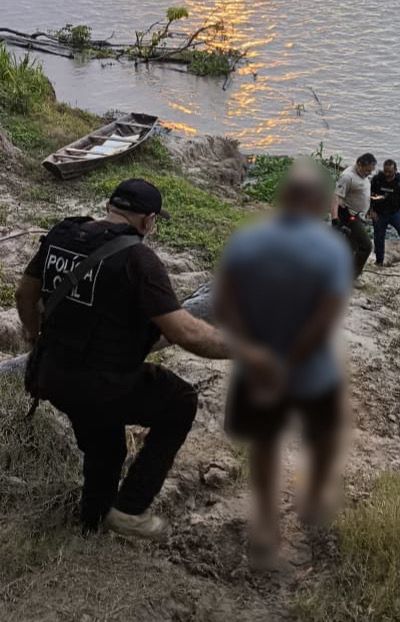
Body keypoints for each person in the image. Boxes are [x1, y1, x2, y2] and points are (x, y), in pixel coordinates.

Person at [15, 178, 274, 540]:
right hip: (103, 382)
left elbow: (24, 295)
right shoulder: (138, 259)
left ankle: (92, 524)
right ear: (149, 221)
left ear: (110, 207)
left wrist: (35, 336)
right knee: (180, 401)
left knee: (105, 447)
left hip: (52, 374)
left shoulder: (63, 234)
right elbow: (187, 333)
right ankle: (130, 509)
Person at [217, 160, 352, 565]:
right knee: (325, 434)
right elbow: (326, 317)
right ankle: (314, 498)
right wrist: (288, 362)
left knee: (265, 441)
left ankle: (264, 521)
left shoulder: (247, 240)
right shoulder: (331, 248)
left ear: (282, 198)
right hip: (312, 369)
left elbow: (225, 305)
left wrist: (255, 355)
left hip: (257, 368)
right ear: (318, 203)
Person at [331, 153, 377, 278]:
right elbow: (335, 197)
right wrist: (335, 219)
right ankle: (353, 276)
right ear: (359, 164)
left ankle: (340, 271)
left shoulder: (362, 174)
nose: (369, 173)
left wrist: (369, 209)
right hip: (350, 216)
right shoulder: (347, 177)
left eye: (371, 171)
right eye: (367, 170)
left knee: (351, 246)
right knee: (366, 246)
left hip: (360, 216)